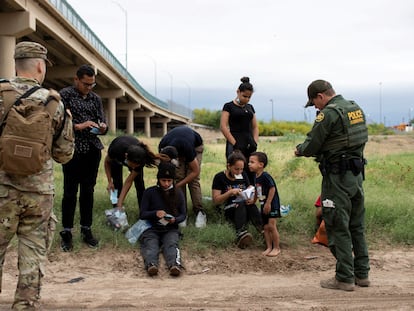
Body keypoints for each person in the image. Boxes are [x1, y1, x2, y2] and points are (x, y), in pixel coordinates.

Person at [0, 41, 74, 310]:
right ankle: (25, 305)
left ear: (16, 64)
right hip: (38, 194)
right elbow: (64, 154)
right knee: (32, 257)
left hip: (1, 191)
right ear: (40, 66)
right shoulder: (54, 101)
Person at [295, 79, 370, 291]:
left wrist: (299, 149)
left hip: (336, 178)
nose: (316, 108)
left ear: (320, 96)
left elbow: (311, 145)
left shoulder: (328, 114)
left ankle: (344, 277)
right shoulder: (355, 108)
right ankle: (362, 274)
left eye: (315, 103)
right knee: (357, 225)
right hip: (356, 176)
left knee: (337, 225)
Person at [59, 64, 108, 251]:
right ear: (76, 80)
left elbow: (102, 121)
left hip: (92, 150)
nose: (89, 88)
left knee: (88, 191)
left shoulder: (96, 99)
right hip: (73, 150)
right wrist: (80, 126)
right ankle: (66, 232)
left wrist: (102, 127)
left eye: (92, 84)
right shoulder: (65, 95)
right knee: (70, 192)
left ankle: (86, 229)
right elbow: (58, 123)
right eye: (86, 84)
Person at [139, 162, 186, 276]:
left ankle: (174, 265)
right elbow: (142, 214)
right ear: (158, 179)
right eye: (163, 180)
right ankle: (151, 265)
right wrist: (155, 213)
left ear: (173, 181)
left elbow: (183, 215)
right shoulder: (149, 192)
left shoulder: (178, 193)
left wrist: (175, 220)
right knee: (150, 245)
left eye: (169, 181)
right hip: (151, 228)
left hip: (170, 228)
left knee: (171, 244)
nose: (166, 183)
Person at [212, 151, 262, 249]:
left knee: (250, 204)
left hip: (243, 206)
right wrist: (230, 193)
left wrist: (250, 194)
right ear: (228, 166)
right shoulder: (219, 177)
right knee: (240, 204)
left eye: (241, 169)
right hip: (228, 208)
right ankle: (240, 233)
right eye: (236, 169)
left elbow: (249, 187)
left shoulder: (243, 174)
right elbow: (216, 200)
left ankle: (262, 229)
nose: (239, 172)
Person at [158, 126, 206, 228]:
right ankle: (182, 213)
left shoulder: (187, 147)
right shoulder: (162, 147)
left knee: (193, 180)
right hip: (177, 144)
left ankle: (200, 212)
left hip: (195, 146)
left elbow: (195, 171)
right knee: (178, 177)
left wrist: (177, 186)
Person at [104, 135, 160, 210]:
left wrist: (120, 201)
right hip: (118, 154)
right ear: (126, 156)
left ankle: (143, 209)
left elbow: (128, 181)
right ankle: (116, 208)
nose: (133, 168)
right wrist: (109, 181)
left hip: (133, 154)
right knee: (116, 182)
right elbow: (107, 162)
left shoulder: (140, 158)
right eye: (132, 166)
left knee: (139, 183)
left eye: (135, 166)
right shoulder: (115, 150)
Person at [220, 76, 259, 183]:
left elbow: (255, 127)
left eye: (249, 97)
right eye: (244, 96)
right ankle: (234, 195)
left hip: (249, 144)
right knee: (236, 171)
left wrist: (255, 141)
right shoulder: (228, 106)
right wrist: (234, 143)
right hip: (235, 143)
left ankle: (251, 196)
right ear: (238, 92)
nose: (246, 99)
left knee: (251, 171)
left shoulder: (250, 107)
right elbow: (223, 126)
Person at [248, 152, 281, 257]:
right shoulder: (256, 177)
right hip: (263, 205)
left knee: (272, 226)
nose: (249, 164)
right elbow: (258, 191)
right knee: (265, 227)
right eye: (249, 162)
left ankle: (277, 248)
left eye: (252, 162)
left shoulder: (265, 176)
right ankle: (269, 247)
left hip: (271, 205)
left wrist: (268, 203)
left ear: (261, 165)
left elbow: (272, 189)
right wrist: (253, 201)